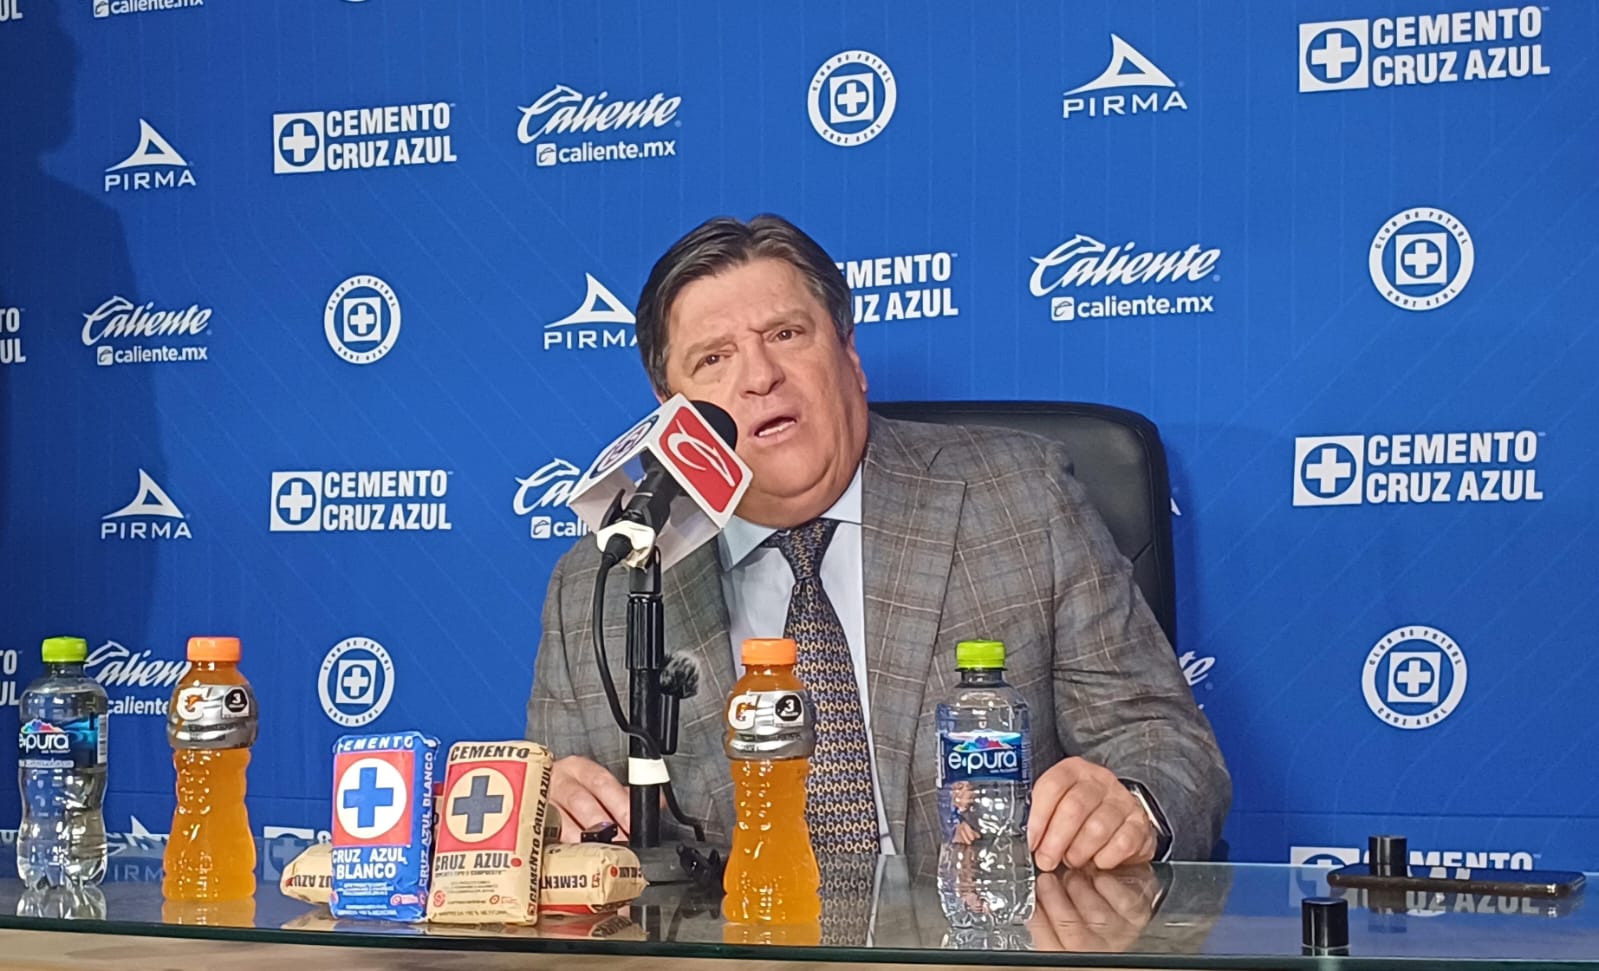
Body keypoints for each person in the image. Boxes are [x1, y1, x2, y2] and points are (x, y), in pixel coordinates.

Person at [526, 214, 1230, 871]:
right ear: (671, 415)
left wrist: (1132, 803)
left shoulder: (1020, 498)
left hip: (992, 936)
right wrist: (544, 818)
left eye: (786, 334)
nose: (759, 376)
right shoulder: (602, 583)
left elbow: (1166, 747)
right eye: (714, 358)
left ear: (850, 356)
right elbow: (559, 807)